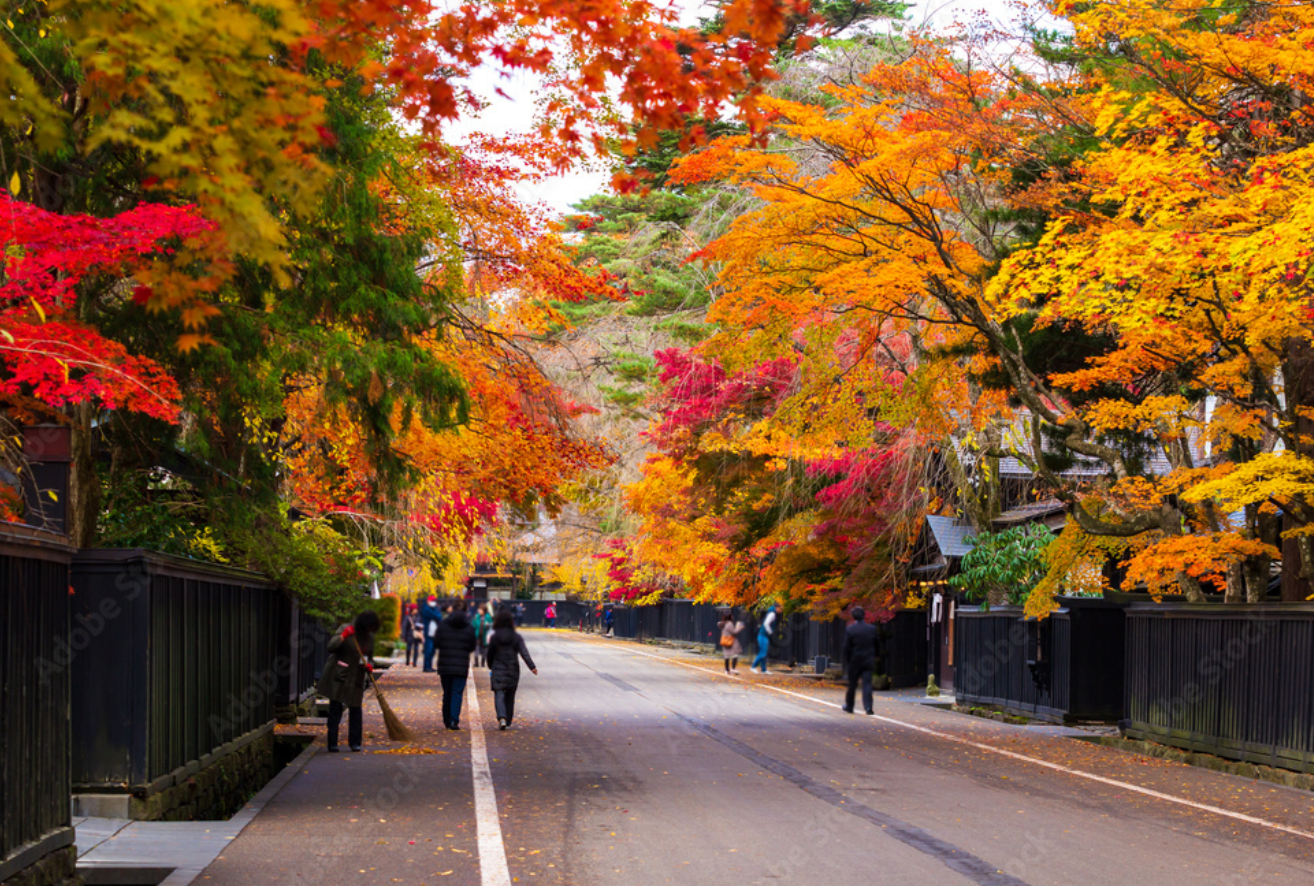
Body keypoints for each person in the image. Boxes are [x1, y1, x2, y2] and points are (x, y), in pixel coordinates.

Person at [318, 610, 380, 752]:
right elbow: (331, 647)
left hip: (357, 676)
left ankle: (355, 742)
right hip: (341, 675)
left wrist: (370, 665)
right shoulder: (346, 628)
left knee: (356, 709)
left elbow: (370, 656)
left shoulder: (369, 637)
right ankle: (332, 742)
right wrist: (344, 636)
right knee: (335, 708)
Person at [485, 609, 538, 730]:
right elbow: (524, 653)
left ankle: (501, 717)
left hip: (498, 668)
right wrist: (532, 667)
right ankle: (508, 721)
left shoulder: (494, 637)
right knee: (510, 696)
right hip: (513, 669)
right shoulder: (516, 637)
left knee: (499, 693)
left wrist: (490, 665)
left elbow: (490, 653)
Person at [435, 600, 478, 729]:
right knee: (457, 693)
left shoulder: (443, 625)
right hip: (461, 664)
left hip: (445, 664)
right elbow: (472, 646)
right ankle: (454, 720)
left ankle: (446, 719)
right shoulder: (469, 627)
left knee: (447, 692)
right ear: (466, 611)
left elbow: (437, 642)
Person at [841, 606, 881, 715]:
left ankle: (849, 706)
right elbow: (877, 644)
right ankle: (868, 707)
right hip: (868, 660)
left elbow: (846, 647)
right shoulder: (871, 629)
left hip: (855, 660)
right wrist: (876, 656)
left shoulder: (850, 629)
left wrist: (847, 660)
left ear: (853, 616)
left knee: (852, 684)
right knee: (867, 684)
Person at [752, 603, 781, 674]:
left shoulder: (771, 613)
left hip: (763, 635)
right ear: (777, 607)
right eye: (780, 608)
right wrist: (770, 632)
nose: (781, 610)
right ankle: (753, 666)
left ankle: (763, 669)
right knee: (763, 652)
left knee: (764, 652)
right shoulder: (772, 614)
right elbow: (766, 623)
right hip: (763, 635)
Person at [718, 609, 744, 675]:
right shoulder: (729, 624)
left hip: (725, 641)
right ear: (729, 616)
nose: (733, 617)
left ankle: (727, 670)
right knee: (735, 655)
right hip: (730, 642)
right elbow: (734, 632)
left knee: (726, 656)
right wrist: (740, 627)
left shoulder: (724, 623)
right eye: (731, 615)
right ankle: (733, 669)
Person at [420, 595, 442, 672]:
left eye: (434, 601)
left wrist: (437, 616)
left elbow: (439, 616)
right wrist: (436, 615)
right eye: (432, 601)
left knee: (432, 651)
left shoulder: (434, 609)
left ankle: (429, 666)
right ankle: (426, 667)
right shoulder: (426, 609)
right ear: (428, 601)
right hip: (428, 633)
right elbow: (436, 616)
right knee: (428, 650)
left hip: (434, 633)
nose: (433, 602)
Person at [472, 603, 491, 668]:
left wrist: (488, 625)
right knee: (476, 649)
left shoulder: (488, 617)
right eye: (479, 609)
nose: (479, 611)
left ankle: (483, 662)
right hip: (477, 636)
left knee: (484, 650)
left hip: (485, 636)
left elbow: (491, 626)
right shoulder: (476, 616)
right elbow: (473, 625)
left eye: (480, 609)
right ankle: (476, 662)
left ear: (484, 610)